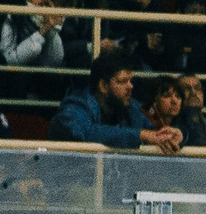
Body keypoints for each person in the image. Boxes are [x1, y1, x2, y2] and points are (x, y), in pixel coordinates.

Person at [51, 51, 182, 150]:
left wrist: (176, 134)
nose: (130, 86)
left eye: (130, 80)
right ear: (103, 86)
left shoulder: (134, 105)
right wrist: (140, 135)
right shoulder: (74, 106)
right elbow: (84, 133)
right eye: (123, 81)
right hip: (71, 182)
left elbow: (157, 128)